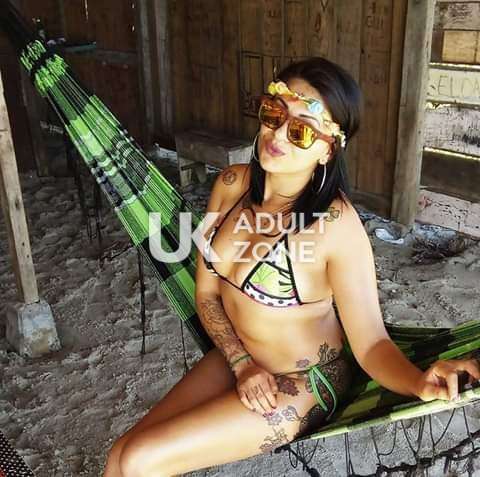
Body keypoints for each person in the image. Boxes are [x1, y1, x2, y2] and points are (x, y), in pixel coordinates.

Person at [103, 57, 480, 477]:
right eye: (274, 114)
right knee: (120, 454)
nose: (279, 134)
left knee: (139, 460)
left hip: (304, 383)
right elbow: (206, 293)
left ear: (327, 149)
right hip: (237, 357)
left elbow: (372, 343)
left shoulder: (335, 227)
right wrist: (240, 363)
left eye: (301, 131)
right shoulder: (230, 186)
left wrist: (418, 382)